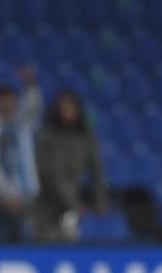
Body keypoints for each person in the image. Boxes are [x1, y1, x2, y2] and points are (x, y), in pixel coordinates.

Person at [35, 89, 109, 240]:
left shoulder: (85, 136)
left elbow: (97, 170)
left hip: (73, 202)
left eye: (71, 109)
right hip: (48, 203)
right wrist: (72, 202)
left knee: (71, 243)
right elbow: (50, 172)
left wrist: (100, 198)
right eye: (64, 109)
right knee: (46, 245)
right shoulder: (48, 135)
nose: (67, 113)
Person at [0, 71, 43, 241]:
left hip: (28, 193)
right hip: (1, 198)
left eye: (9, 101)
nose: (6, 106)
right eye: (1, 102)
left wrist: (31, 87)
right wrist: (8, 194)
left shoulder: (23, 125)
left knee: (29, 241)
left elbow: (35, 108)